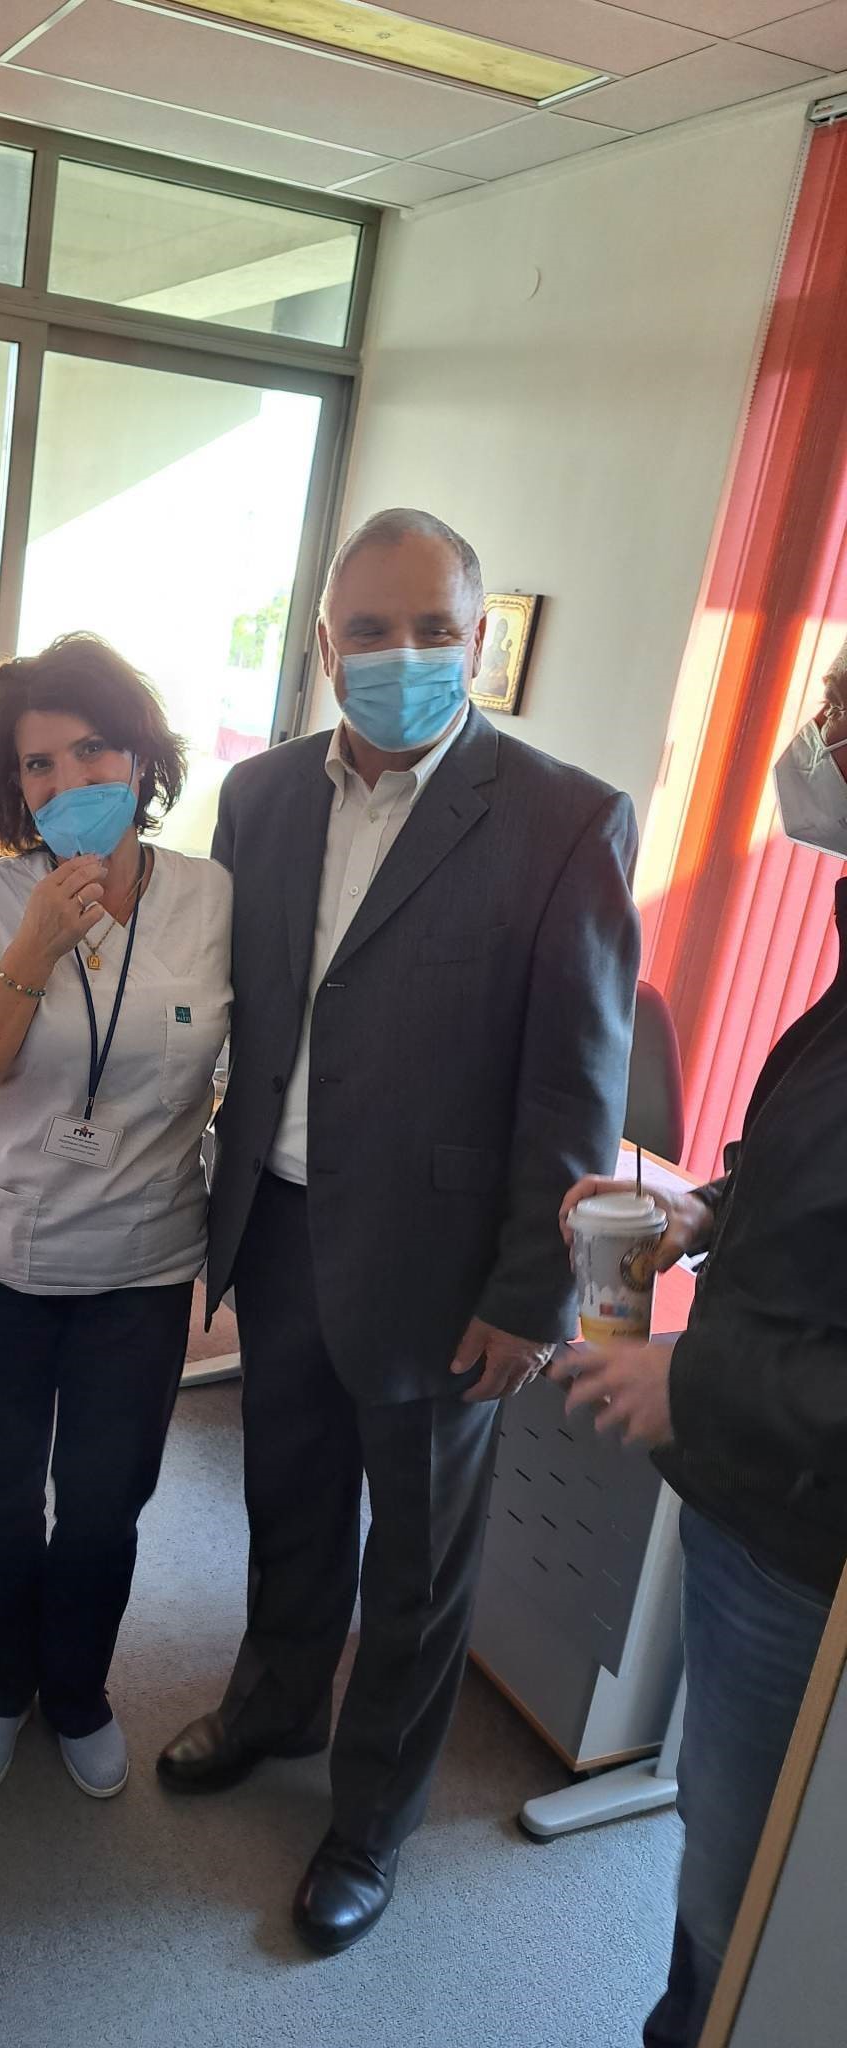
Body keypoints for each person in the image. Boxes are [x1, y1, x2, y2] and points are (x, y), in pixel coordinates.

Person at [157, 508, 641, 1956]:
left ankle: (371, 1818)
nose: (402, 654)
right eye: (370, 630)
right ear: (324, 647)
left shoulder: (564, 818)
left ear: (477, 642)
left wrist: (537, 1292)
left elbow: (577, 1082)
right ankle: (275, 1703)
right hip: (280, 1225)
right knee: (289, 1498)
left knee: (419, 1563)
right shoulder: (259, 798)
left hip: (445, 1268)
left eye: (435, 629)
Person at [555, 643, 847, 2048]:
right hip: (756, 1503)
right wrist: (707, 1208)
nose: (817, 741)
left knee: (753, 1904)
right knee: (719, 1869)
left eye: (843, 717)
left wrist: (698, 1378)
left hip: (807, 1550)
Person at [0, 633, 232, 1803]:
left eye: (91, 748)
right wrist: (36, 946)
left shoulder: (212, 898)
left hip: (141, 1264)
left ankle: (80, 1686)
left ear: (140, 755)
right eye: (37, 763)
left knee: (105, 1504)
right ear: (14, 786)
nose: (66, 779)